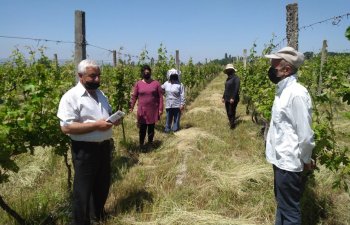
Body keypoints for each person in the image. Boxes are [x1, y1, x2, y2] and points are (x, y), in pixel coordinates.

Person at [57, 59, 121, 225]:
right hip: (84, 150)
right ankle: (80, 222)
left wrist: (112, 121)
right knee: (83, 190)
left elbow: (106, 116)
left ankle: (97, 216)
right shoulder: (70, 97)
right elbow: (66, 127)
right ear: (80, 76)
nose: (97, 80)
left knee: (102, 184)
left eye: (98, 76)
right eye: (93, 76)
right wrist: (96, 126)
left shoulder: (101, 94)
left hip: (104, 147)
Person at [265, 46, 315, 225]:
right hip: (279, 160)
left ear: (286, 70)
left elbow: (306, 135)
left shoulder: (297, 94)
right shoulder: (283, 91)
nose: (271, 70)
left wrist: (306, 159)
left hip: (288, 162)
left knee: (291, 211)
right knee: (282, 204)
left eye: (274, 67)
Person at [130, 65, 163, 149]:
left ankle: (150, 143)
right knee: (142, 129)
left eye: (148, 72)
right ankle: (141, 144)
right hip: (142, 111)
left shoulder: (156, 84)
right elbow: (134, 96)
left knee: (151, 128)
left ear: (150, 73)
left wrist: (160, 109)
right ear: (142, 73)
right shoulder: (138, 84)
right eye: (145, 73)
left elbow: (160, 97)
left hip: (153, 110)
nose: (146, 74)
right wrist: (131, 106)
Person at [161, 68, 186, 133]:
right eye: (172, 75)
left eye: (175, 75)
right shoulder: (166, 83)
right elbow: (161, 88)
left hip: (177, 104)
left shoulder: (180, 84)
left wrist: (182, 104)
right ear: (169, 76)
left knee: (176, 119)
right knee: (168, 118)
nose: (173, 76)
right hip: (168, 104)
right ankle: (167, 130)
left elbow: (182, 95)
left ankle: (175, 130)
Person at [222, 64, 240, 129]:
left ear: (232, 70)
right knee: (228, 111)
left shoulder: (236, 78)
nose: (227, 72)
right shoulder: (228, 79)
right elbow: (226, 88)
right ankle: (231, 122)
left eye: (229, 70)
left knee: (231, 111)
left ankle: (232, 125)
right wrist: (223, 97)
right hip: (227, 97)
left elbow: (236, 89)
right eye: (227, 71)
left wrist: (233, 98)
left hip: (233, 98)